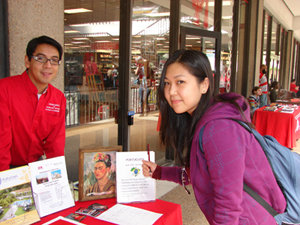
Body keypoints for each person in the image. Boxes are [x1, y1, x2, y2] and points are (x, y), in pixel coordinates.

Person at [142, 50, 286, 224]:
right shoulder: (203, 119)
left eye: (180, 82)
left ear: (204, 85)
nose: (171, 91)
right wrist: (159, 171)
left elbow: (228, 205)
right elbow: (199, 171)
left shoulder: (218, 129)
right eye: (166, 83)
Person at [0, 35, 66, 171]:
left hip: (37, 167)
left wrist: (58, 176)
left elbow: (56, 145)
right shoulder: (4, 89)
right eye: (40, 59)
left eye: (54, 60)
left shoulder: (58, 98)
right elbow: (2, 141)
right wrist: (6, 181)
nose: (48, 66)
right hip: (7, 168)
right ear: (27, 61)